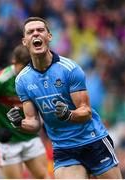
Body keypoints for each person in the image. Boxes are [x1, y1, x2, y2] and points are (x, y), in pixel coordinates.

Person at [7, 17, 123, 179]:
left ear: (49, 37)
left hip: (92, 141)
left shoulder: (70, 69)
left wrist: (69, 114)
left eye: (40, 30)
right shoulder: (22, 80)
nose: (36, 34)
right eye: (30, 32)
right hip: (64, 148)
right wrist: (19, 123)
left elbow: (86, 112)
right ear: (25, 41)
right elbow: (33, 122)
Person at [0, 44, 50, 179]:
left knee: (44, 177)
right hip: (7, 141)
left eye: (28, 68)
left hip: (30, 137)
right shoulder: (0, 80)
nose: (24, 73)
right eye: (22, 68)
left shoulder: (37, 77)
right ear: (14, 62)